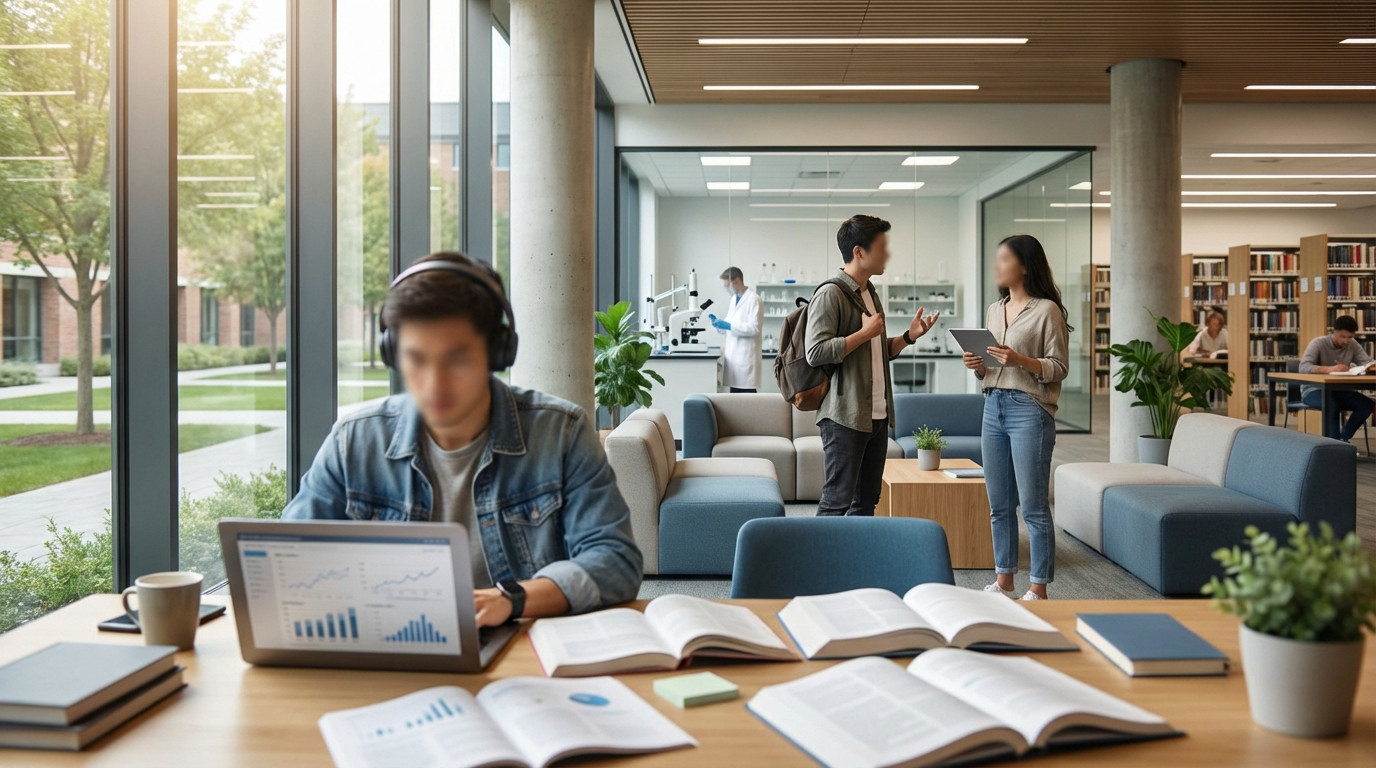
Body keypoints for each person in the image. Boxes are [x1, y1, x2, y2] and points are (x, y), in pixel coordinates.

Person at [282, 252, 642, 626]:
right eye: (416, 359)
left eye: (456, 360)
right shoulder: (354, 441)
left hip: (518, 646)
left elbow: (615, 560)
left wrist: (510, 599)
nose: (434, 383)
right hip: (390, 640)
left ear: (496, 353)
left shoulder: (560, 434)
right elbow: (289, 558)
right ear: (393, 354)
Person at [805, 215, 938, 517]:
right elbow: (815, 352)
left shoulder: (870, 292)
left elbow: (874, 352)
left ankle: (856, 551)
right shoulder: (831, 293)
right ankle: (820, 551)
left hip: (876, 416)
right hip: (844, 416)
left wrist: (907, 337)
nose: (887, 254)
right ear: (859, 252)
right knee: (836, 502)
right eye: (881, 247)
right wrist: (863, 334)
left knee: (867, 502)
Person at [962, 234, 1070, 601]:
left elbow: (1059, 367)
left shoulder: (1047, 311)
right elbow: (990, 368)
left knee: (1033, 506)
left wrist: (1020, 360)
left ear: (1024, 266)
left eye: (1004, 259)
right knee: (999, 504)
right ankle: (1004, 579)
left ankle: (1038, 587)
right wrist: (977, 365)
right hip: (992, 405)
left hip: (1029, 409)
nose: (997, 266)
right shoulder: (995, 309)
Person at [1299, 314, 1374, 442]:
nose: (1346, 341)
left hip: (1339, 391)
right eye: (1342, 336)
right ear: (1334, 332)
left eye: (1350, 337)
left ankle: (1342, 439)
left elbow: (1367, 362)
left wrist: (1371, 366)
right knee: (1331, 404)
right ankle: (1333, 443)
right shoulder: (1318, 343)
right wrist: (1330, 369)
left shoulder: (1352, 344)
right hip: (1313, 390)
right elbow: (1304, 367)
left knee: (1367, 404)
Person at [710, 266, 764, 393]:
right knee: (735, 398)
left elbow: (754, 328)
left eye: (727, 285)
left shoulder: (754, 299)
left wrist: (729, 326)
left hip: (746, 360)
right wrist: (719, 325)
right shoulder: (734, 299)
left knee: (747, 399)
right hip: (733, 360)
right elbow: (730, 324)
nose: (726, 289)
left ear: (736, 281)